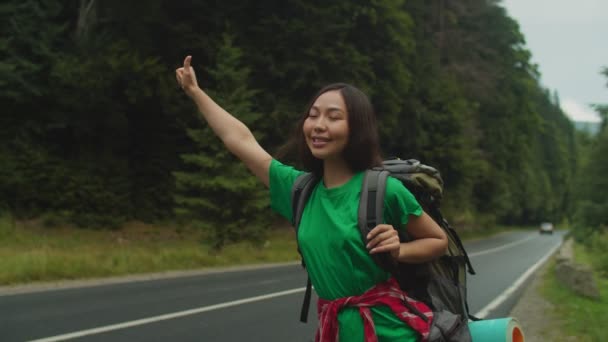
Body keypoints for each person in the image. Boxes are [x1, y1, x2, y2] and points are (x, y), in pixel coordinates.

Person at [175, 55, 448, 342]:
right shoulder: (299, 189)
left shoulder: (383, 190)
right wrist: (196, 92)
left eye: (333, 117)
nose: (318, 124)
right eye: (313, 114)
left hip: (390, 332)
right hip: (335, 330)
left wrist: (399, 251)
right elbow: (241, 141)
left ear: (357, 129)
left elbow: (437, 240)